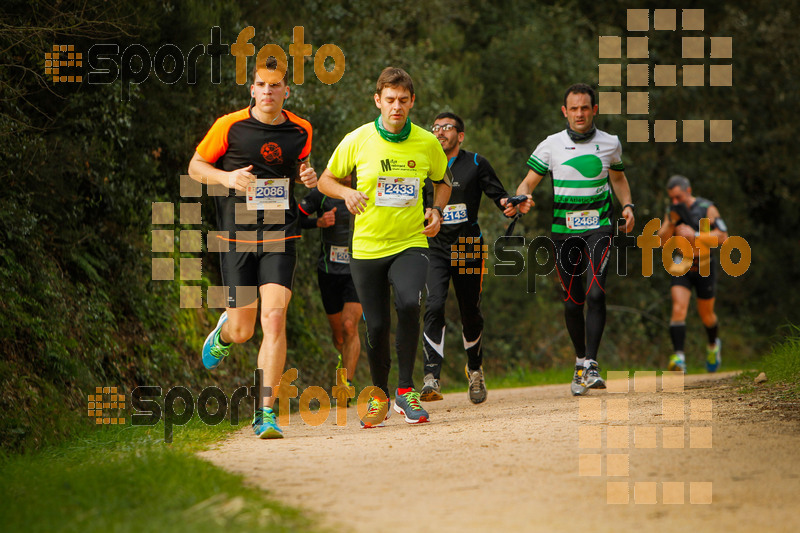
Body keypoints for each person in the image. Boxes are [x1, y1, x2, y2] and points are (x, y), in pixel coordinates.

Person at [187, 59, 317, 438]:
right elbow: (196, 166)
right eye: (261, 84)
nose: (268, 91)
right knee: (244, 330)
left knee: (274, 319)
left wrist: (306, 175)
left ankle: (265, 413)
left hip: (281, 234)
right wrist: (226, 176)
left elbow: (299, 169)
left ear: (286, 91)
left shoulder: (301, 129)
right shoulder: (229, 126)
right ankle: (226, 331)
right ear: (252, 89)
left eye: (275, 86)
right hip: (237, 237)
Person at [318, 67, 451, 427]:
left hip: (410, 242)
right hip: (366, 248)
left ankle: (405, 392)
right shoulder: (358, 139)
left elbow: (443, 182)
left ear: (412, 102)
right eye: (390, 100)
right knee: (375, 327)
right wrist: (346, 192)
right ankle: (378, 394)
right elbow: (326, 179)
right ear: (378, 100)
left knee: (409, 303)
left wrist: (436, 210)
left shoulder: (426, 142)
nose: (397, 107)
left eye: (403, 101)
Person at [515, 83, 635, 396]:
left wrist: (628, 205)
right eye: (574, 108)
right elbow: (529, 181)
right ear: (564, 111)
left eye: (585, 108)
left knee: (596, 294)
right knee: (573, 301)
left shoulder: (610, 143)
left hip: (601, 228)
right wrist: (522, 198)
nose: (579, 113)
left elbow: (619, 179)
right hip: (563, 232)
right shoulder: (550, 145)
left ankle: (591, 363)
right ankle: (580, 360)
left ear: (594, 110)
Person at [419, 112, 517, 404]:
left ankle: (475, 371)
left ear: (460, 136)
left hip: (467, 246)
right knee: (434, 304)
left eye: (447, 128)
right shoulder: (423, 163)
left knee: (469, 311)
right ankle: (430, 377)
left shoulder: (476, 163)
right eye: (435, 127)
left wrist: (508, 206)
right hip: (434, 246)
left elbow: (498, 195)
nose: (440, 132)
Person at [656, 174, 728, 373]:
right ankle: (679, 358)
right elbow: (661, 241)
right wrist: (670, 223)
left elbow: (723, 236)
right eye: (672, 198)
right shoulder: (672, 211)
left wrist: (695, 234)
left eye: (678, 197)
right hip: (682, 262)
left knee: (707, 315)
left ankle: (713, 345)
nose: (675, 201)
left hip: (704, 264)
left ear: (688, 191)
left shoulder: (707, 208)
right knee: (678, 308)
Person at [298, 177, 363, 389]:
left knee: (349, 325)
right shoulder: (322, 191)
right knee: (339, 337)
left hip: (358, 268)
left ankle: (346, 384)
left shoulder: (366, 186)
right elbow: (295, 218)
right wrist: (317, 222)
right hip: (329, 271)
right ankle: (343, 367)